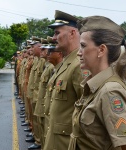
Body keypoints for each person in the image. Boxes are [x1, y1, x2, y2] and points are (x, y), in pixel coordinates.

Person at [68, 16, 126, 150]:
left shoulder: (109, 91)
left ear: (101, 50)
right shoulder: (95, 86)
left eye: (83, 46)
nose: (78, 53)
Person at [43, 10, 84, 150]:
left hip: (66, 144)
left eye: (57, 33)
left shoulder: (79, 64)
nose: (53, 38)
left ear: (72, 33)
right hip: (56, 141)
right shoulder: (67, 62)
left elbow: (87, 115)